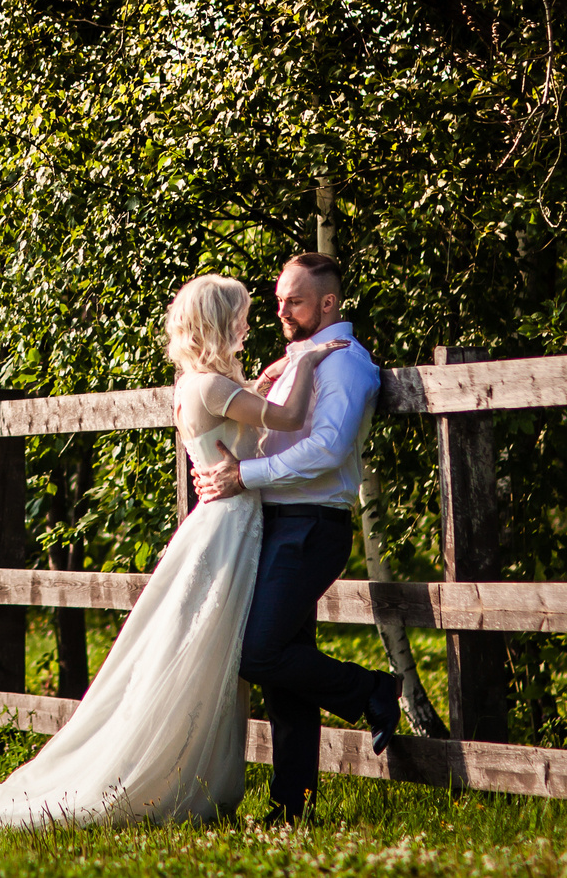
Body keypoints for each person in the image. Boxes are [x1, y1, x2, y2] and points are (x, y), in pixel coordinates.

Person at [0, 274, 344, 829]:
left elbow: (240, 407)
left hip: (227, 522)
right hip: (231, 525)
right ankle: (168, 775)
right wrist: (306, 361)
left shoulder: (195, 384)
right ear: (220, 322)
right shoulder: (210, 387)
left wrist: (270, 373)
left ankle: (198, 773)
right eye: (243, 315)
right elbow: (289, 418)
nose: (250, 323)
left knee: (214, 651)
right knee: (209, 651)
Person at [192, 251, 399, 827]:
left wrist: (243, 475)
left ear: (328, 304)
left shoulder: (345, 363)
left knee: (260, 652)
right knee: (287, 664)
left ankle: (374, 692)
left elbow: (329, 449)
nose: (281, 308)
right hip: (272, 523)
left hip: (311, 525)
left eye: (295, 300)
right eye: (279, 298)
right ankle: (291, 808)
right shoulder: (297, 360)